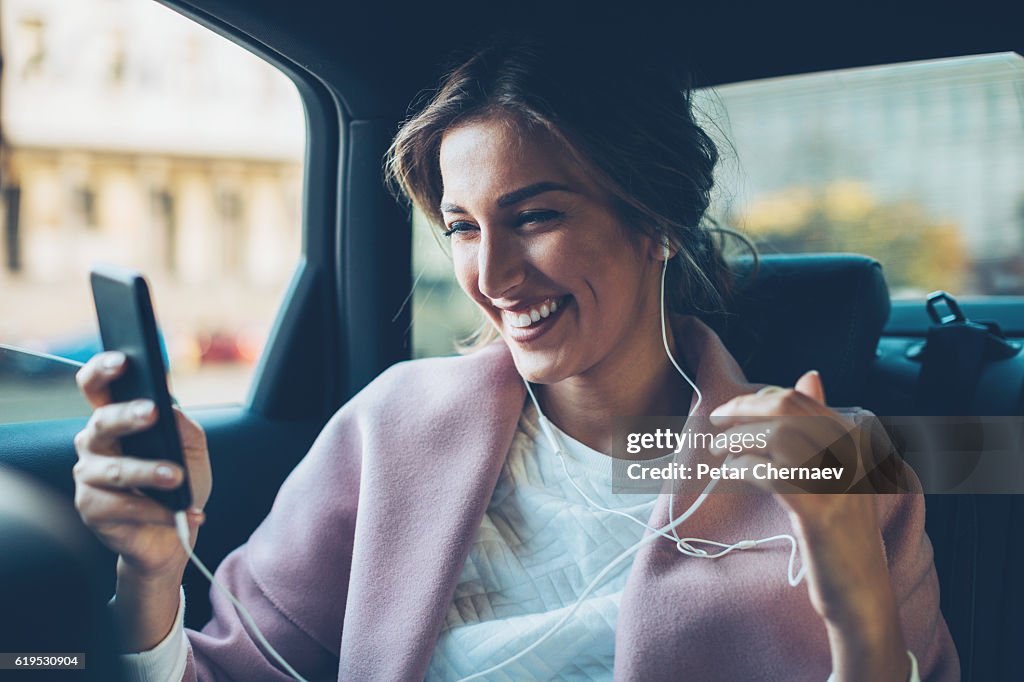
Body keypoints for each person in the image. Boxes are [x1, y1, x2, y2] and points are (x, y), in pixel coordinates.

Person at [71, 33, 959, 681]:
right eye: (463, 227)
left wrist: (858, 609)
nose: (491, 276)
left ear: (653, 222)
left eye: (535, 216)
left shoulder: (844, 457)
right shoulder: (393, 427)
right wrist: (151, 578)